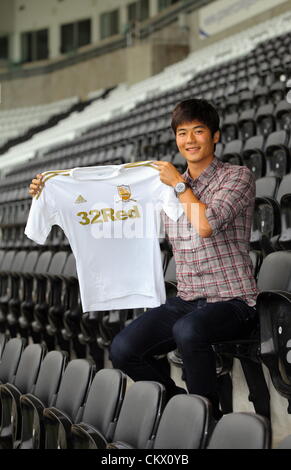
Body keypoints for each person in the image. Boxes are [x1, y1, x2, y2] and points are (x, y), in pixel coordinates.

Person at [28, 99, 258, 420]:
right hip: (188, 299)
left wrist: (178, 184)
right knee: (123, 349)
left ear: (215, 136)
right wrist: (50, 188)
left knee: (189, 331)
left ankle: (209, 418)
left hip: (234, 301)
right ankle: (183, 408)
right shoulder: (161, 187)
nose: (189, 140)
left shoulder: (237, 177)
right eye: (182, 133)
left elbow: (206, 225)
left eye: (198, 131)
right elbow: (110, 201)